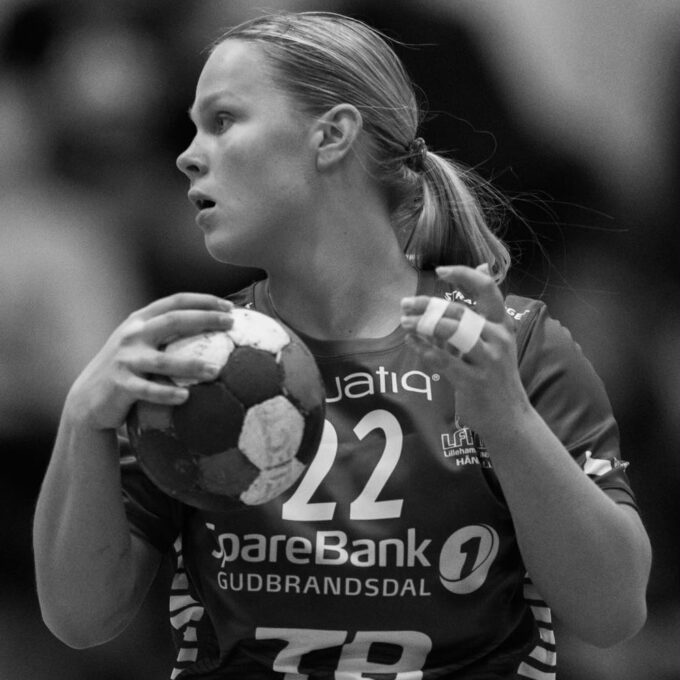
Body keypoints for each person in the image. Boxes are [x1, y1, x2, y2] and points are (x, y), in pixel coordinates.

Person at [33, 11, 651, 680]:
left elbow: (611, 614)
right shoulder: (194, 355)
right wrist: (83, 418)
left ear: (331, 135)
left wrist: (508, 421)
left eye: (222, 120)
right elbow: (81, 620)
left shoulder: (511, 344)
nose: (188, 155)